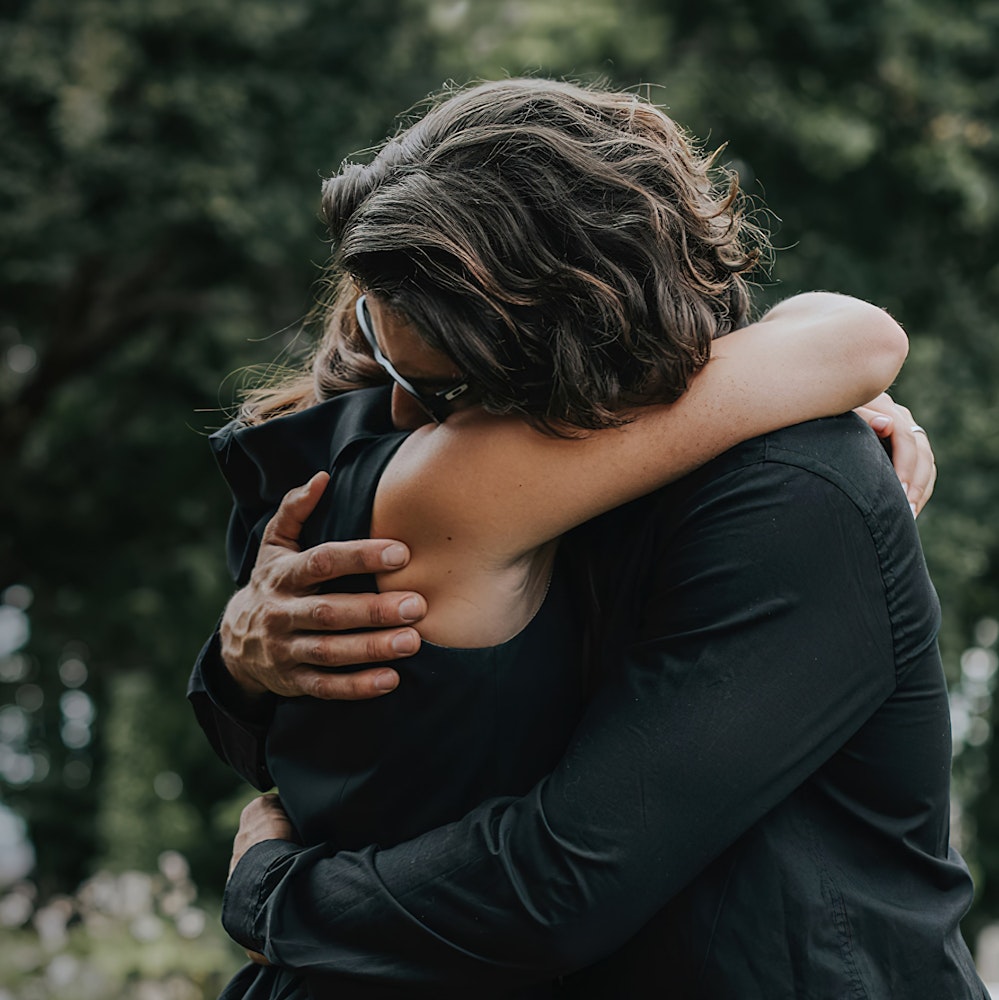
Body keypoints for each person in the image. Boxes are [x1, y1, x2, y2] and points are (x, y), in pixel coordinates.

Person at [190, 80, 984, 998]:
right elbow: (854, 336)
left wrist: (273, 895)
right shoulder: (375, 444)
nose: (405, 408)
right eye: (376, 328)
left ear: (579, 350)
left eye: (452, 388)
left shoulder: (786, 487)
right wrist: (241, 668)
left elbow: (556, 882)